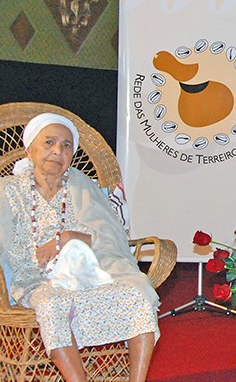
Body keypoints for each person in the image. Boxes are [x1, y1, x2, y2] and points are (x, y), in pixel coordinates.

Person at [0, 113, 160, 382]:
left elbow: (109, 240)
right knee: (52, 304)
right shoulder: (8, 190)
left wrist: (68, 237)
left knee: (137, 295)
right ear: (30, 149)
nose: (57, 151)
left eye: (66, 146)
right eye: (49, 142)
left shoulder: (82, 187)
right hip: (36, 282)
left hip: (88, 276)